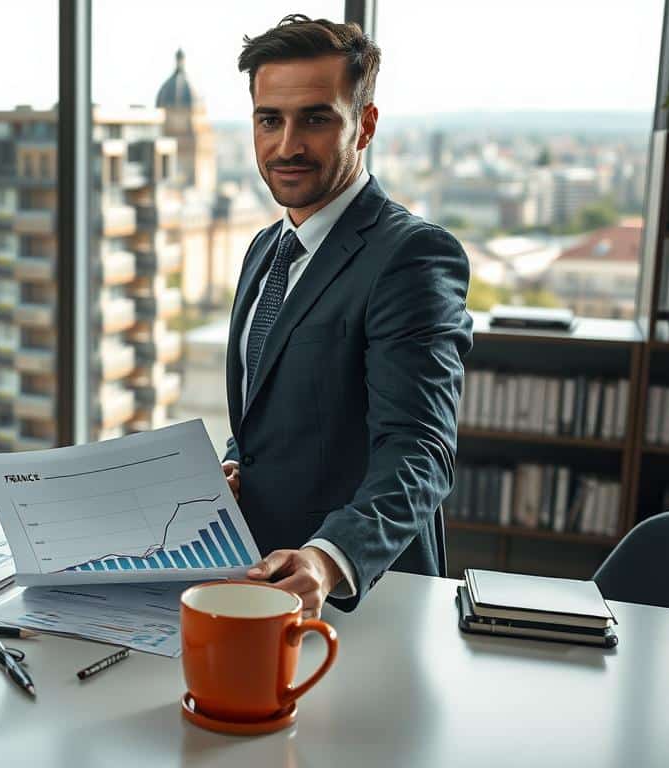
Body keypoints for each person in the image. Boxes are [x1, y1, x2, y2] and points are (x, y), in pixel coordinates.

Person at [222, 14, 472, 616]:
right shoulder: (266, 249)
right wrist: (235, 465)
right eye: (269, 120)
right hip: (260, 581)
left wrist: (329, 558)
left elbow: (420, 450)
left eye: (315, 118)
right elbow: (273, 413)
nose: (286, 146)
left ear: (364, 126)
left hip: (362, 595)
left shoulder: (412, 255)